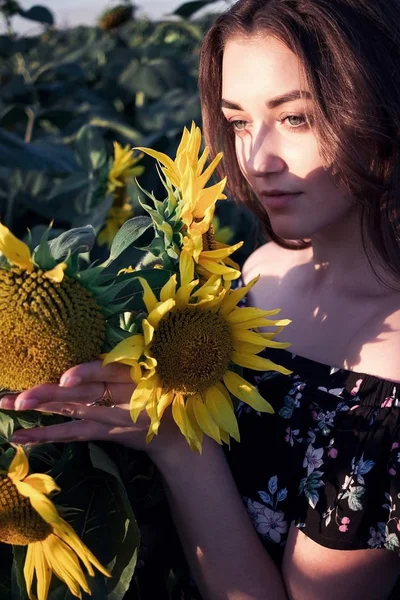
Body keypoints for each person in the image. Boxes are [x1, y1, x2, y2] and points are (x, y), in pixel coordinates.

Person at [4, 0, 400, 597]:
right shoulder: (260, 273)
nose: (257, 160)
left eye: (296, 118)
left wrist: (176, 448)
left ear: (383, 108)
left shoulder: (391, 366)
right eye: (239, 122)